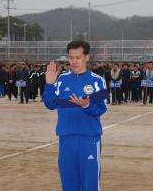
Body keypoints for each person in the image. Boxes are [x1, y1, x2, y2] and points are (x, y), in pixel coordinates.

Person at [42, 41, 107, 191]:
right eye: (71, 58)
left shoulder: (97, 81)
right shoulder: (62, 80)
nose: (74, 61)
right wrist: (50, 84)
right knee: (69, 184)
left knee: (90, 184)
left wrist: (86, 105)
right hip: (66, 138)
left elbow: (101, 109)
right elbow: (50, 104)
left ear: (87, 57)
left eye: (78, 57)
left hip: (88, 138)